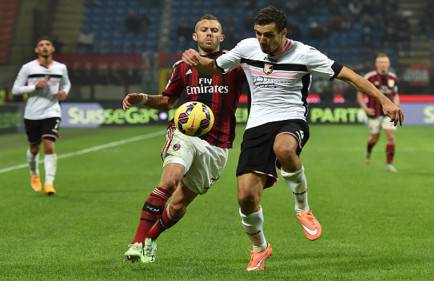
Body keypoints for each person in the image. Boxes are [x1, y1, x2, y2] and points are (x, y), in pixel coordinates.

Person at [182, 6, 404, 271]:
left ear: (283, 32)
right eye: (258, 34)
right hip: (257, 126)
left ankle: (303, 209)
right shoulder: (246, 48)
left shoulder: (305, 54)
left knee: (284, 149)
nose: (262, 40)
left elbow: (351, 77)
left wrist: (385, 100)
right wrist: (195, 60)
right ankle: (260, 248)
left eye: (269, 35)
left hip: (291, 117)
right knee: (246, 197)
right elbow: (214, 69)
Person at [121, 15, 246, 263]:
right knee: (170, 181)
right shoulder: (182, 66)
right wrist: (143, 99)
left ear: (221, 37)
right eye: (204, 30)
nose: (209, 33)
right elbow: (168, 100)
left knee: (178, 205)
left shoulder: (235, 65)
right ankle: (136, 242)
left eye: (214, 30)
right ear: (195, 36)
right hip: (185, 133)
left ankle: (151, 239)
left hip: (218, 144)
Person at [11, 37, 71, 196]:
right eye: (41, 45)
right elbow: (15, 89)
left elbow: (66, 83)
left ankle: (49, 183)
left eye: (48, 44)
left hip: (52, 111)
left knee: (49, 145)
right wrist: (34, 87)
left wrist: (64, 92)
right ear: (36, 50)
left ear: (52, 49)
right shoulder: (28, 68)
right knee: (34, 148)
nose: (45, 47)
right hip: (32, 113)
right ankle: (34, 173)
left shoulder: (61, 68)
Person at [357, 53, 400, 172]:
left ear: (389, 64)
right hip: (373, 113)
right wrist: (365, 108)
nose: (383, 65)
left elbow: (395, 94)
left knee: (391, 137)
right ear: (376, 64)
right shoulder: (369, 77)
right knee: (374, 138)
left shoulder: (393, 78)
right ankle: (368, 151)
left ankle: (389, 165)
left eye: (385, 62)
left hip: (389, 114)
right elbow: (360, 94)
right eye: (381, 62)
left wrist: (396, 105)